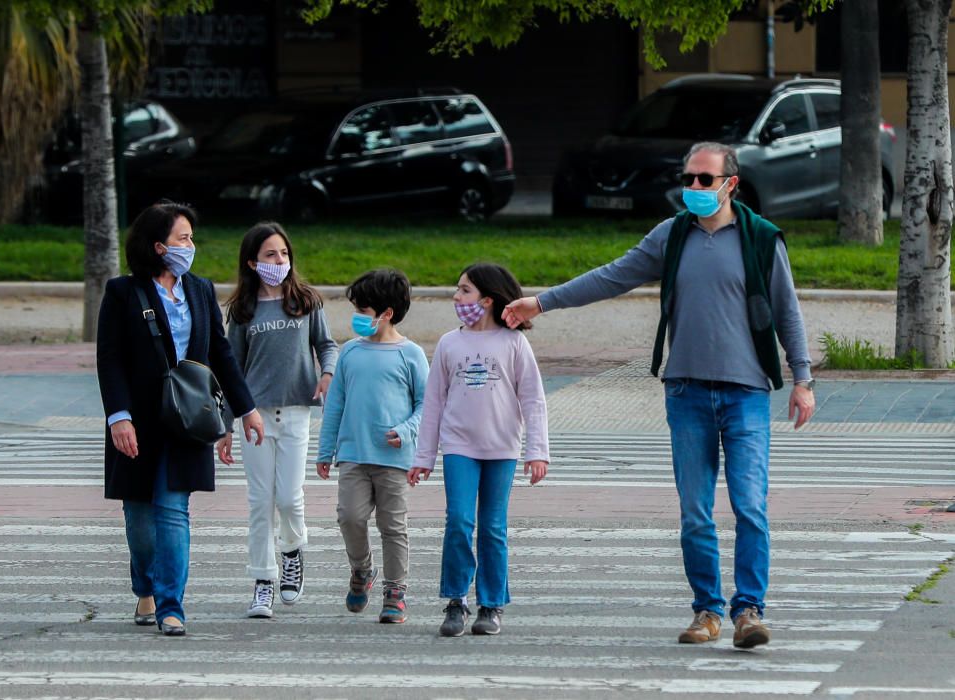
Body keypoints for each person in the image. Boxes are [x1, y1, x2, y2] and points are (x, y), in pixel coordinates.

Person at [503, 142, 815, 649]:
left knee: (750, 507)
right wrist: (542, 302)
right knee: (695, 512)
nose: (692, 188)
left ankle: (749, 610)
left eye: (704, 180)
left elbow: (788, 312)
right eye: (688, 178)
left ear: (730, 184)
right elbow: (611, 277)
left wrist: (802, 380)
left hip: (746, 395)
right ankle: (707, 611)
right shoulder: (671, 236)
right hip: (687, 392)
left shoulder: (760, 239)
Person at [96, 201, 265, 637]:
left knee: (173, 511)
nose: (190, 246)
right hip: (137, 419)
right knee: (140, 521)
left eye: (190, 237)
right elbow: (109, 359)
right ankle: (145, 588)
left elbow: (221, 355)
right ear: (158, 246)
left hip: (188, 418)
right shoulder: (122, 292)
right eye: (182, 238)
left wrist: (245, 408)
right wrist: (118, 416)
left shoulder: (200, 289)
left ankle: (172, 606)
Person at [409, 262, 550, 638]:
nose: (457, 297)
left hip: (502, 448)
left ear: (487, 300)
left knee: (492, 527)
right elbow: (433, 403)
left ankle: (491, 604)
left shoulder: (514, 342)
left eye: (464, 290)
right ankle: (455, 601)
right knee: (458, 520)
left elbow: (533, 400)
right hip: (458, 447)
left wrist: (537, 451)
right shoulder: (448, 343)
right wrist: (423, 457)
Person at [217, 221, 338, 618]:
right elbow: (229, 368)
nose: (279, 260)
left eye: (284, 253)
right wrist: (225, 426)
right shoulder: (243, 310)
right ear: (252, 262)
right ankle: (263, 582)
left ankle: (292, 551)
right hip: (255, 417)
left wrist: (327, 373)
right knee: (259, 502)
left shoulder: (306, 300)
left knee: (289, 497)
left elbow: (326, 345)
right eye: (270, 254)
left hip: (297, 413)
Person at [315, 269, 429, 624]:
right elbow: (335, 405)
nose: (357, 318)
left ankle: (395, 591)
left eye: (363, 311)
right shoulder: (349, 353)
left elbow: (426, 405)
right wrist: (325, 450)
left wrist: (408, 430)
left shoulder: (410, 354)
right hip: (352, 456)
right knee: (350, 517)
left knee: (393, 526)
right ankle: (362, 569)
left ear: (387, 313)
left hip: (394, 459)